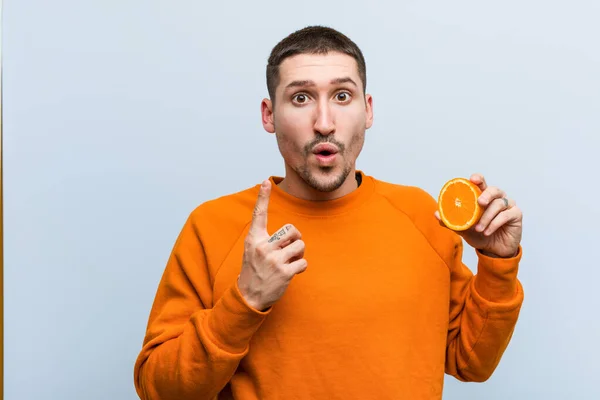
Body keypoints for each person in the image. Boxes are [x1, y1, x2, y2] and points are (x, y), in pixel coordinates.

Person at [133, 25, 524, 400]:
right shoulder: (211, 226)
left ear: (367, 110)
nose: (324, 123)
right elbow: (160, 391)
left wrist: (497, 262)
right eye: (300, 98)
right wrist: (245, 301)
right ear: (269, 115)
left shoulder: (422, 216)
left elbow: (471, 363)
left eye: (342, 96)